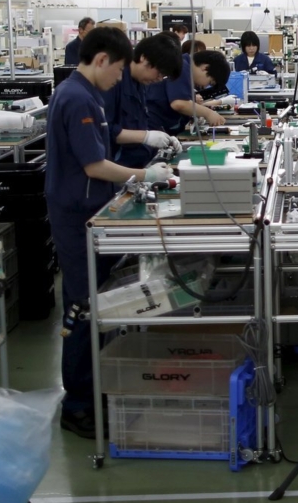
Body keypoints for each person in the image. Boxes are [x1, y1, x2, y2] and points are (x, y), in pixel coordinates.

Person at [46, 27, 175, 438]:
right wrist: (144, 174)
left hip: (90, 209)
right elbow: (95, 165)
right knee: (83, 308)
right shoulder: (78, 99)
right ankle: (78, 404)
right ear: (101, 60)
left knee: (95, 303)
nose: (120, 79)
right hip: (75, 213)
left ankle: (95, 389)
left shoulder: (86, 96)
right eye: (118, 70)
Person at [103, 34, 185, 170]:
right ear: (143, 58)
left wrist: (164, 138)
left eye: (163, 76)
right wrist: (145, 137)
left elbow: (141, 121)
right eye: (159, 73)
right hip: (116, 167)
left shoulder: (141, 83)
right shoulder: (113, 82)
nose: (159, 79)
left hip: (136, 164)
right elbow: (105, 130)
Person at [145, 49, 230, 136]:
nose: (205, 86)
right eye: (210, 82)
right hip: (151, 127)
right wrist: (208, 113)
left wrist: (193, 113)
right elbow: (179, 103)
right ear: (205, 68)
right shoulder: (182, 67)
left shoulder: (185, 68)